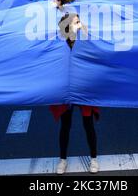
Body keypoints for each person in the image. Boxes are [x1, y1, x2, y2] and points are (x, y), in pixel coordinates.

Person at [51, 13, 99, 175]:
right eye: (75, 22)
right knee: (65, 125)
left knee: (88, 124)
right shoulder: (60, 42)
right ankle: (62, 159)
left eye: (79, 22)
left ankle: (94, 158)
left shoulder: (85, 39)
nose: (79, 24)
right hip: (66, 88)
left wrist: (81, 28)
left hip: (83, 87)